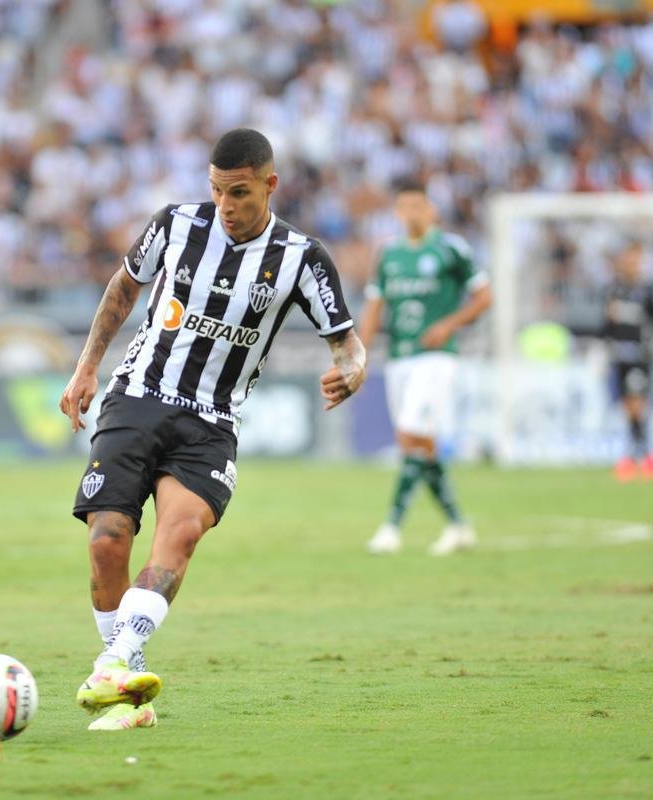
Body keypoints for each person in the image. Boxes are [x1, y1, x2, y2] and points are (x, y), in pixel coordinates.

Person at [58, 128, 366, 731]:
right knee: (106, 543)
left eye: (239, 193)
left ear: (270, 185)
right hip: (137, 397)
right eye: (217, 190)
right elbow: (124, 287)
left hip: (211, 422)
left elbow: (347, 344)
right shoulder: (175, 225)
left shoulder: (301, 257)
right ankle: (128, 681)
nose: (225, 204)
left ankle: (113, 662)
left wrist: (352, 369)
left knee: (180, 535)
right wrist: (87, 365)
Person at [357, 179, 492, 556]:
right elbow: (374, 307)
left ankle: (391, 527)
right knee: (419, 444)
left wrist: (448, 324)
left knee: (410, 433)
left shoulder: (451, 249)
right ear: (397, 212)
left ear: (431, 210)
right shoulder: (389, 254)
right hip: (399, 358)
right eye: (405, 207)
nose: (412, 214)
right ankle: (458, 525)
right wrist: (359, 355)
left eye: (419, 206)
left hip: (436, 357)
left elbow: (484, 297)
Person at [602, 241, 653, 481]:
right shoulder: (614, 290)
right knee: (629, 407)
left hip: (641, 356)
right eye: (628, 259)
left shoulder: (648, 291)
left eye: (636, 260)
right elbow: (607, 324)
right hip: (619, 356)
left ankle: (641, 456)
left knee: (636, 404)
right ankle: (642, 455)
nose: (631, 264)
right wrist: (600, 347)